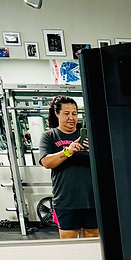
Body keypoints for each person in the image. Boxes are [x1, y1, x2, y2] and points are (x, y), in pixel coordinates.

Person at [39, 96, 98, 238]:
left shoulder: (89, 135)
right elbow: (46, 162)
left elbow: (107, 161)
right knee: (69, 244)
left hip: (92, 200)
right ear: (57, 113)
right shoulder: (50, 136)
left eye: (74, 113)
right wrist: (67, 151)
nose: (71, 118)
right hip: (65, 202)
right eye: (66, 113)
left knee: (93, 244)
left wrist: (95, 152)